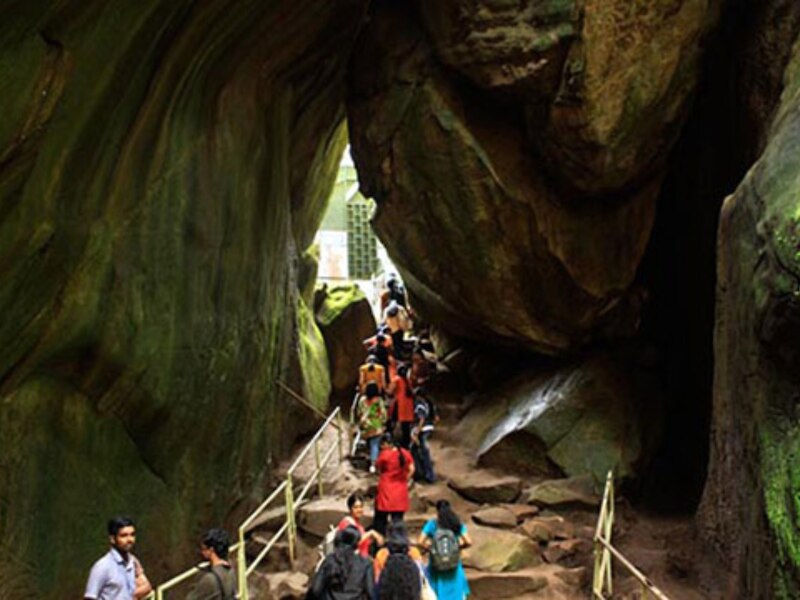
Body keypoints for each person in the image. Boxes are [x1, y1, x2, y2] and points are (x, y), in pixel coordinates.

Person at [85, 516, 152, 600]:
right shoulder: (102, 566)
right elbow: (90, 597)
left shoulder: (132, 562)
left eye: (132, 535)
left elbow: (146, 587)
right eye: (124, 536)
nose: (130, 539)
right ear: (112, 539)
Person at [418, 500, 472, 600]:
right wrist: (458, 547)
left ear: (437, 511)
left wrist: (431, 548)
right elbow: (468, 541)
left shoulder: (432, 524)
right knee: (455, 592)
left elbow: (420, 541)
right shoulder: (456, 524)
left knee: (437, 592)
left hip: (436, 564)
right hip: (453, 564)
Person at [308, 526, 374, 600]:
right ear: (357, 543)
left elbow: (315, 589)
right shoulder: (365, 564)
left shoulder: (330, 560)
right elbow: (371, 593)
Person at [373, 434, 414, 537]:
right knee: (398, 521)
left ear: (386, 444)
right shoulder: (405, 453)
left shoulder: (384, 455)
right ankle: (399, 542)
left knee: (380, 519)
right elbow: (412, 469)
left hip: (386, 489)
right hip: (400, 490)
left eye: (382, 445)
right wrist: (405, 479)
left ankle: (380, 543)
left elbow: (378, 469)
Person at [185, 528, 237, 599]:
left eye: (204, 549)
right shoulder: (231, 572)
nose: (202, 552)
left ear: (211, 550)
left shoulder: (209, 579)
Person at [357, 384, 388, 473]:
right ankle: (373, 464)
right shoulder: (379, 401)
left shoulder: (362, 400)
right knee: (375, 444)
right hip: (376, 426)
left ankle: (371, 459)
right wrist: (383, 423)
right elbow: (384, 415)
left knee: (370, 443)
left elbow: (359, 412)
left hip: (365, 426)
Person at [387, 365, 415, 449]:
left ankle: (392, 439)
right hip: (408, 406)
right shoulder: (408, 381)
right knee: (406, 426)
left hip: (399, 405)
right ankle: (406, 444)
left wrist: (385, 389)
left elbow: (390, 391)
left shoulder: (397, 379)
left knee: (391, 421)